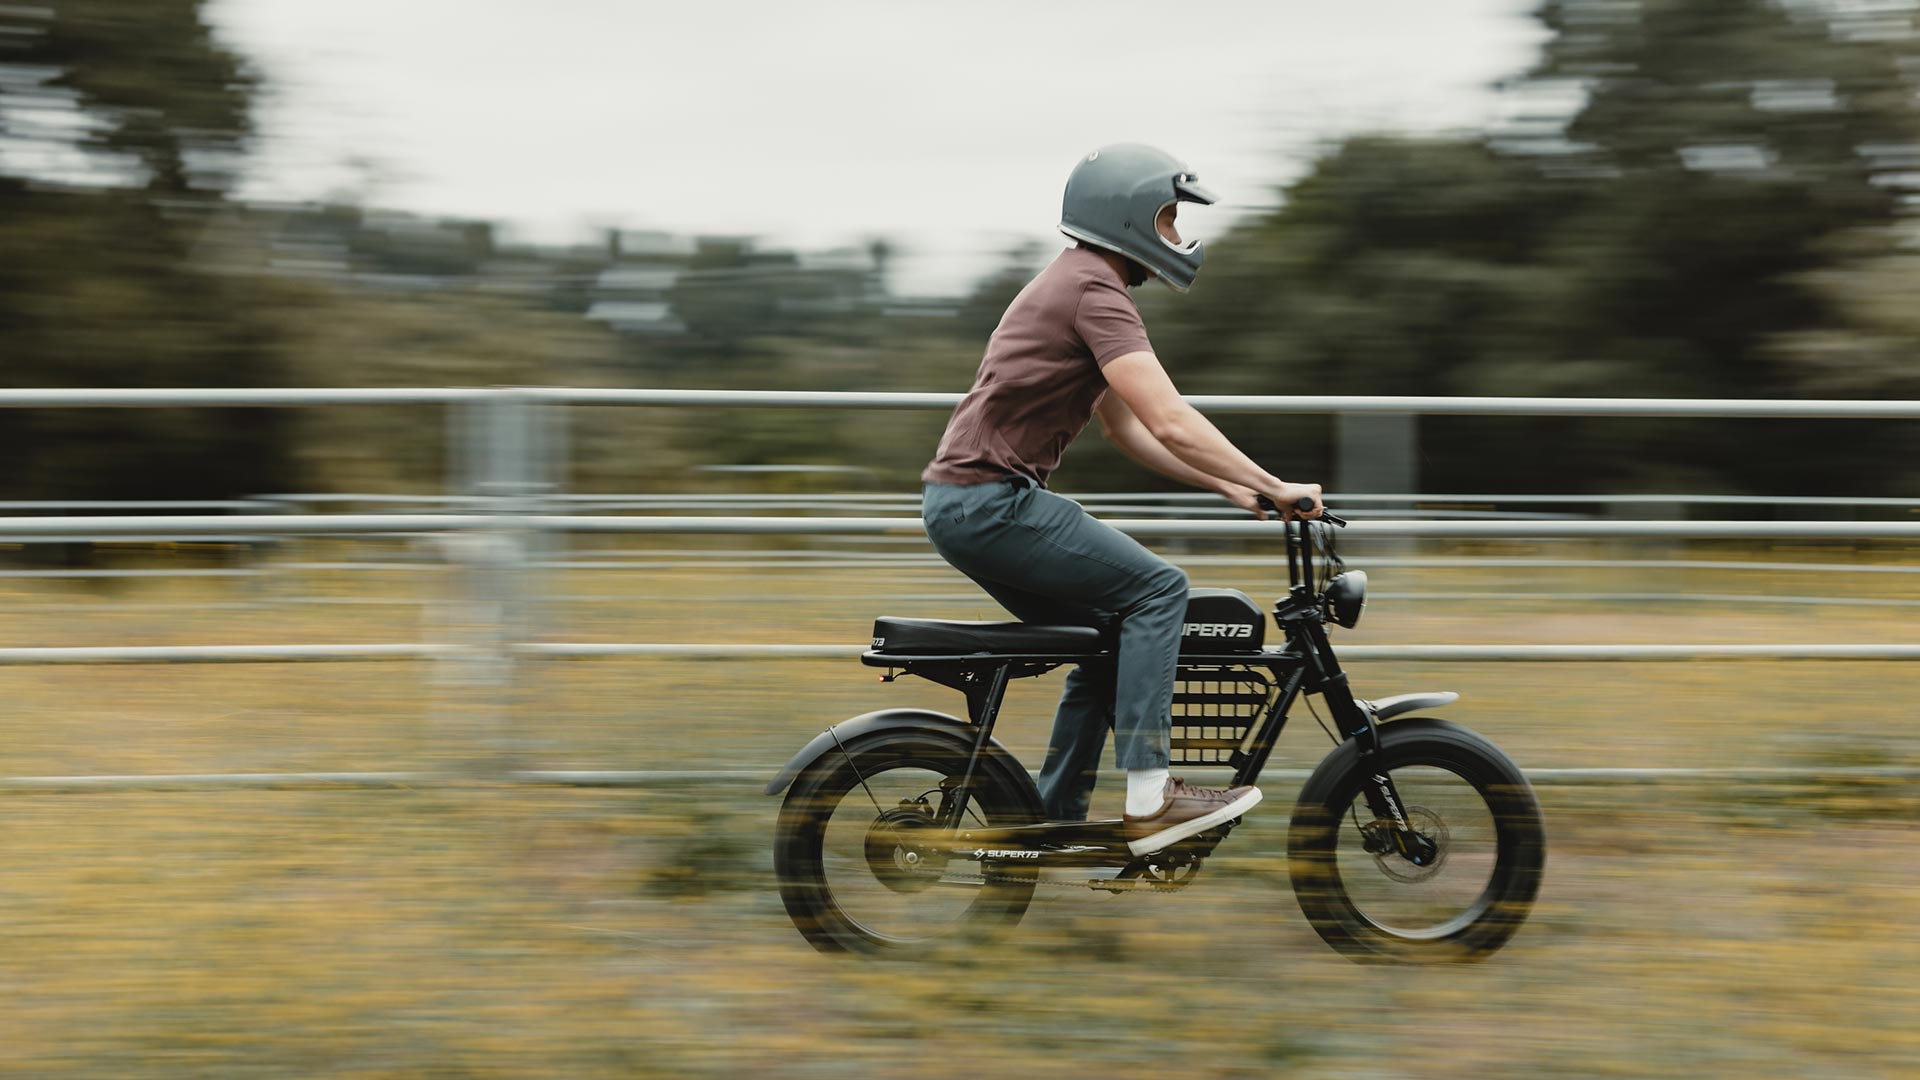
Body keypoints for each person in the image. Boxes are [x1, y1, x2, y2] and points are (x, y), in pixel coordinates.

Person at [920, 143, 1323, 855]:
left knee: (1111, 637)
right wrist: (1273, 483)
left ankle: (1050, 819)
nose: (1177, 235)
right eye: (1169, 218)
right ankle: (1151, 796)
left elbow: (1126, 427)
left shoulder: (1077, 283)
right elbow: (1169, 418)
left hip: (967, 504)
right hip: (991, 502)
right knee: (1159, 591)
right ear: (1129, 216)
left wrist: (1228, 484)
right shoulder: (1094, 290)